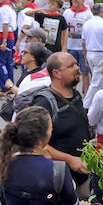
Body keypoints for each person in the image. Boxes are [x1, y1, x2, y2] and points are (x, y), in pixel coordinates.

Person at [29, 52, 91, 180]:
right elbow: (35, 144)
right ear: (56, 73)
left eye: (76, 64)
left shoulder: (76, 95)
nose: (77, 68)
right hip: (59, 179)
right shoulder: (44, 103)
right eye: (71, 66)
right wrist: (68, 159)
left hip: (82, 174)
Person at [80, 4, 103, 105]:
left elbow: (83, 42)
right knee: (97, 82)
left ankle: (97, 103)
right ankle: (87, 103)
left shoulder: (87, 24)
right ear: (102, 12)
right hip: (100, 54)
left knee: (98, 80)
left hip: (90, 53)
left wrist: (85, 56)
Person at [0, 0, 18, 96]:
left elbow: (5, 24)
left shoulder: (4, 9)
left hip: (4, 37)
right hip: (9, 36)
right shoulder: (10, 7)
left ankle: (5, 87)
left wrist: (4, 41)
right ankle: (10, 85)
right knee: (8, 63)